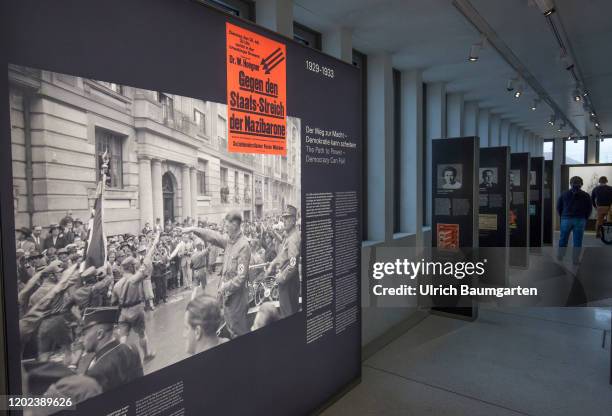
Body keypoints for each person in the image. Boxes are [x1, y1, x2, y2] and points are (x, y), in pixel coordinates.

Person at [180, 210, 251, 338]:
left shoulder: (243, 246)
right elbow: (212, 235)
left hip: (237, 299)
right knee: (230, 329)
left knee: (237, 331)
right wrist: (193, 229)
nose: (225, 228)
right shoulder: (229, 241)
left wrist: (225, 286)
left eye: (227, 225)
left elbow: (241, 277)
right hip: (227, 297)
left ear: (235, 225)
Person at [111, 232, 159, 362]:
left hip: (123, 313)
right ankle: (147, 354)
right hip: (137, 310)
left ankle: (121, 360)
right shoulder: (134, 279)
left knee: (123, 337)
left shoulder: (116, 284)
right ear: (131, 267)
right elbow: (146, 265)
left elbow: (113, 301)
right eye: (135, 265)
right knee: (142, 334)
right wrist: (153, 244)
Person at [80, 307, 143, 392]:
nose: (81, 339)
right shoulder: (131, 347)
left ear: (100, 334)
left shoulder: (95, 371)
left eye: (84, 334)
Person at [266, 205, 301, 318]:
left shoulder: (293, 239)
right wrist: (272, 264)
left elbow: (292, 265)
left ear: (293, 220)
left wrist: (281, 277)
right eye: (283, 218)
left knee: (287, 313)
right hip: (289, 280)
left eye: (287, 218)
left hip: (288, 282)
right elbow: (283, 254)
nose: (284, 221)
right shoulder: (289, 234)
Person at [557, 176, 592, 264]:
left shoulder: (564, 194)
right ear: (582, 184)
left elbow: (558, 207)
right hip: (580, 220)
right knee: (577, 241)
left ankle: (560, 256)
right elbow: (589, 209)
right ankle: (575, 259)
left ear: (570, 183)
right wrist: (585, 217)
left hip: (566, 219)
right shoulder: (586, 195)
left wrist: (563, 215)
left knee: (563, 239)